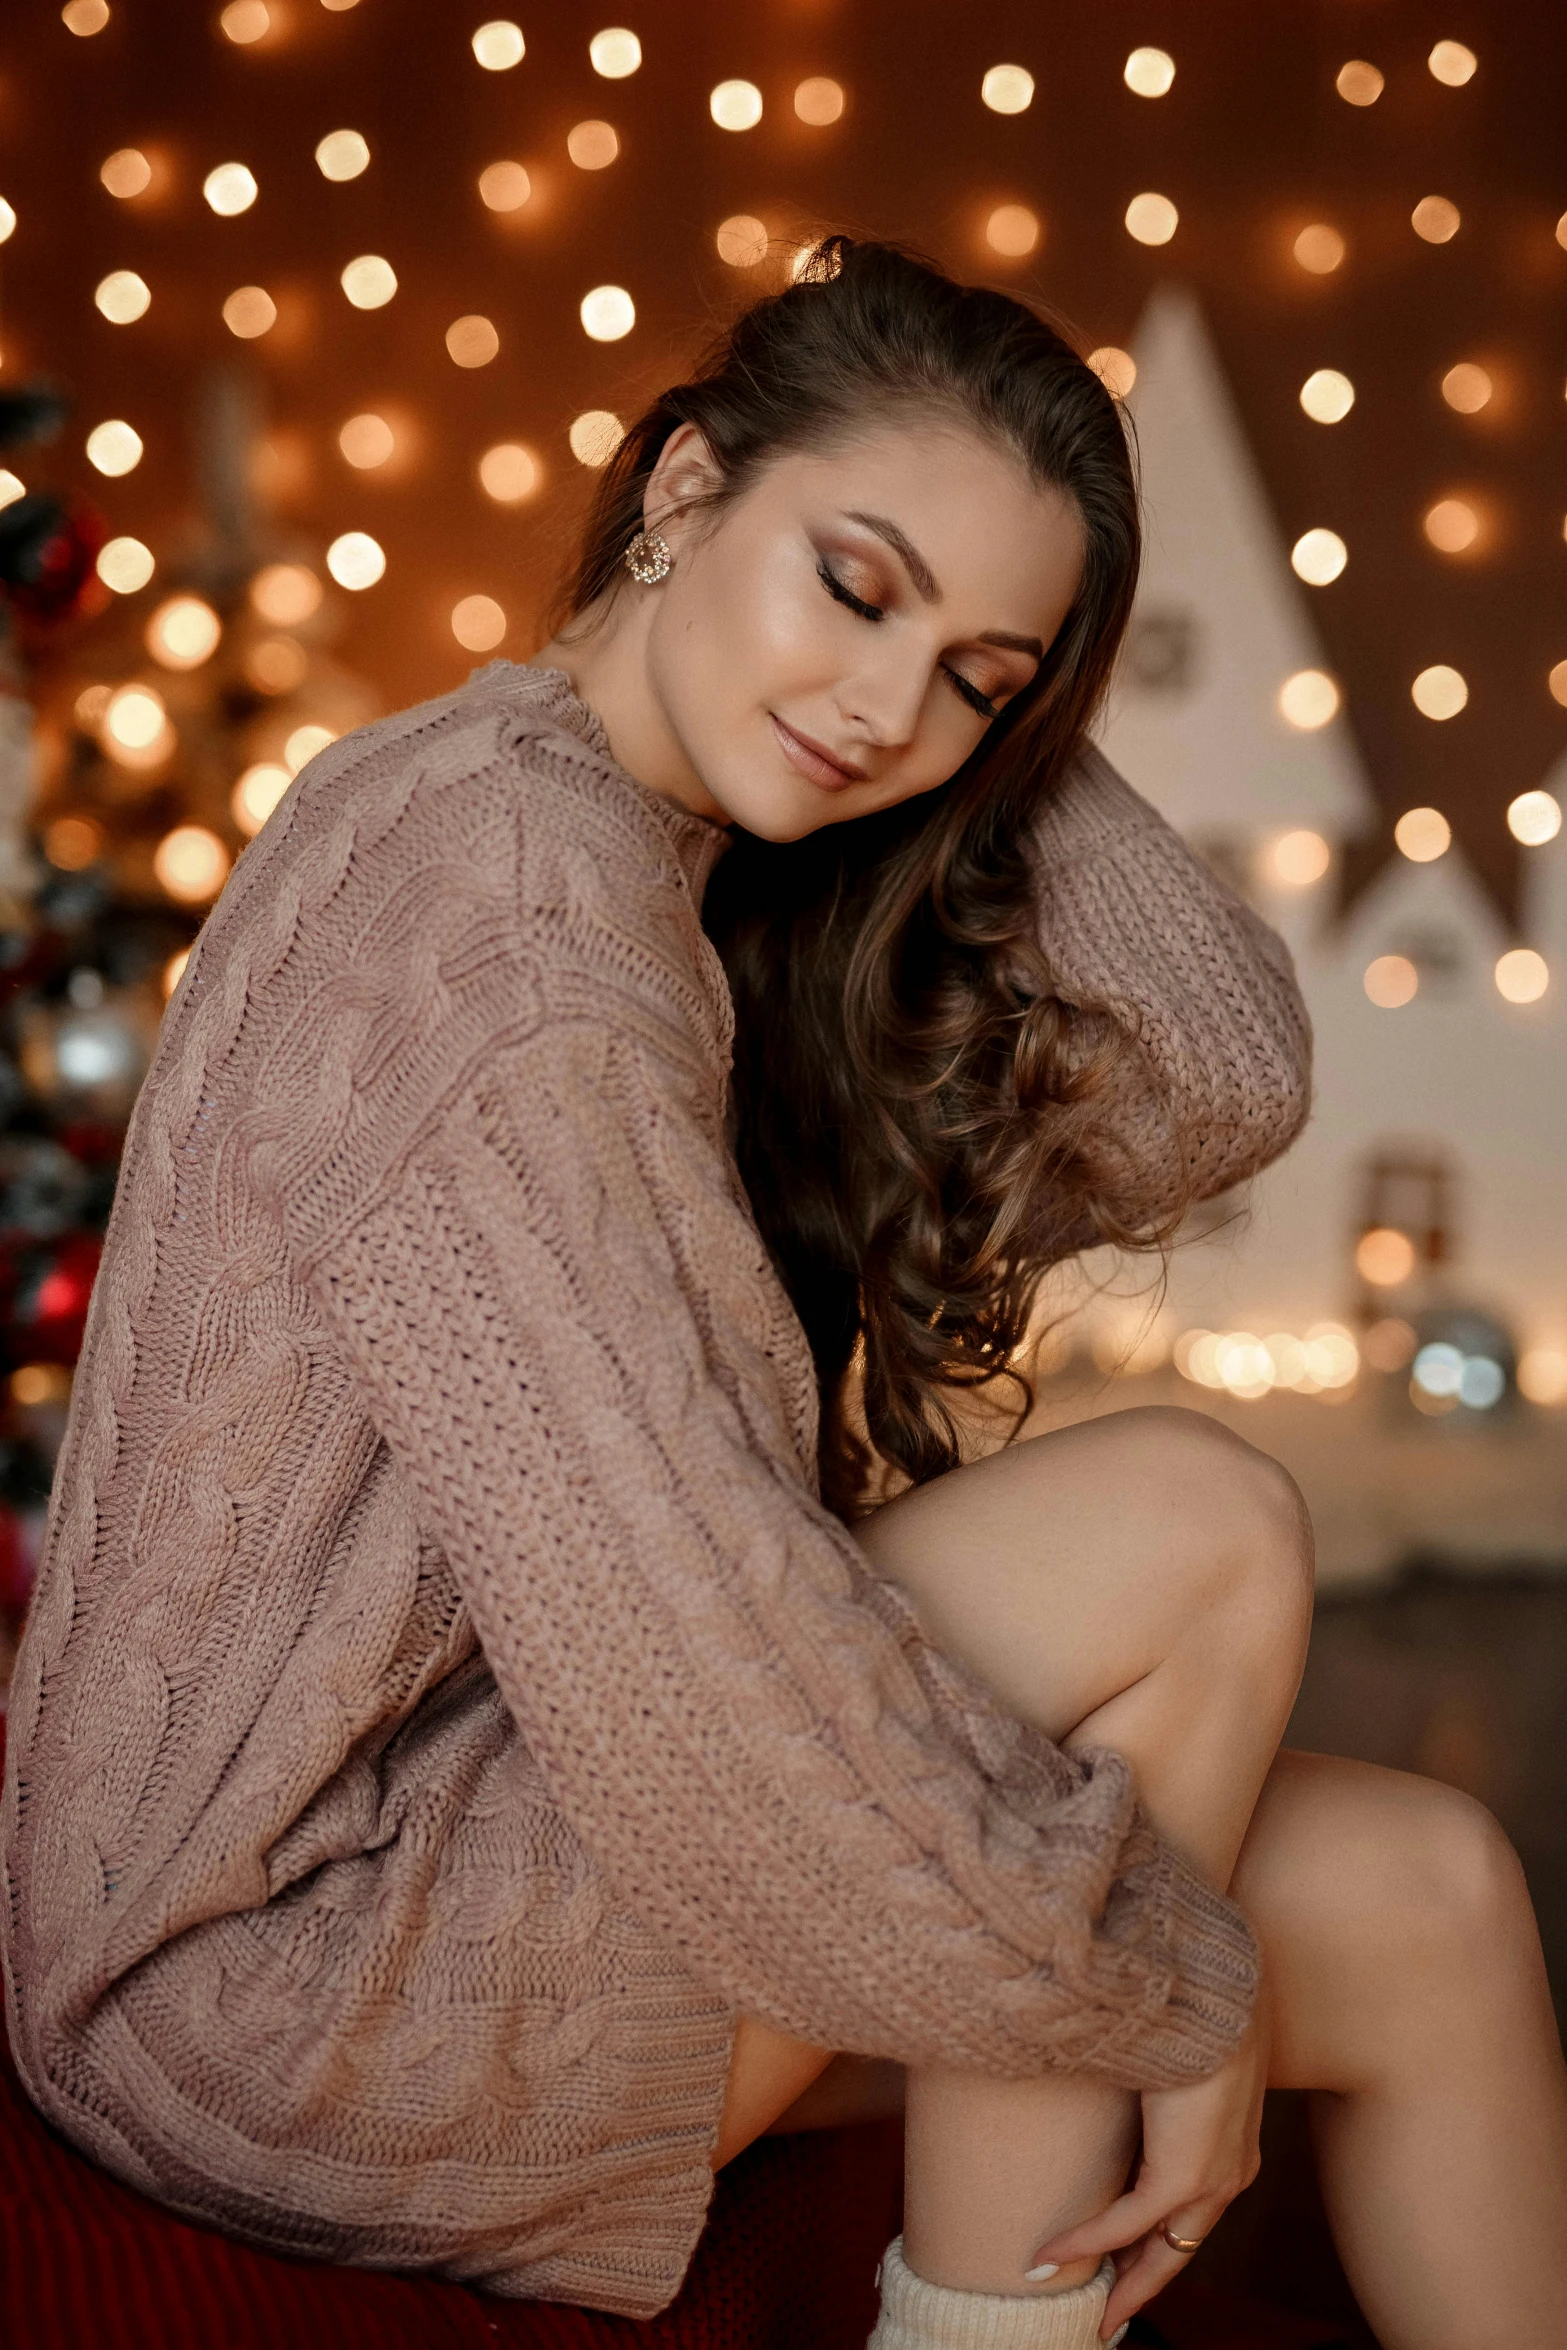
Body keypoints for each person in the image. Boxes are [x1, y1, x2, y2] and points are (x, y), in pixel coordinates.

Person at [1, 239, 1562, 2350]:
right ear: (680, 491)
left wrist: (998, 687)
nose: (880, 711)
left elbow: (1214, 1073)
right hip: (286, 1966)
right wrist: (1141, 1979)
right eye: (854, 583)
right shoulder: (513, 914)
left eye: (975, 679)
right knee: (1199, 1521)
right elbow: (707, 1662)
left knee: (1443, 1895)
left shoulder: (627, 836)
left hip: (447, 1827)